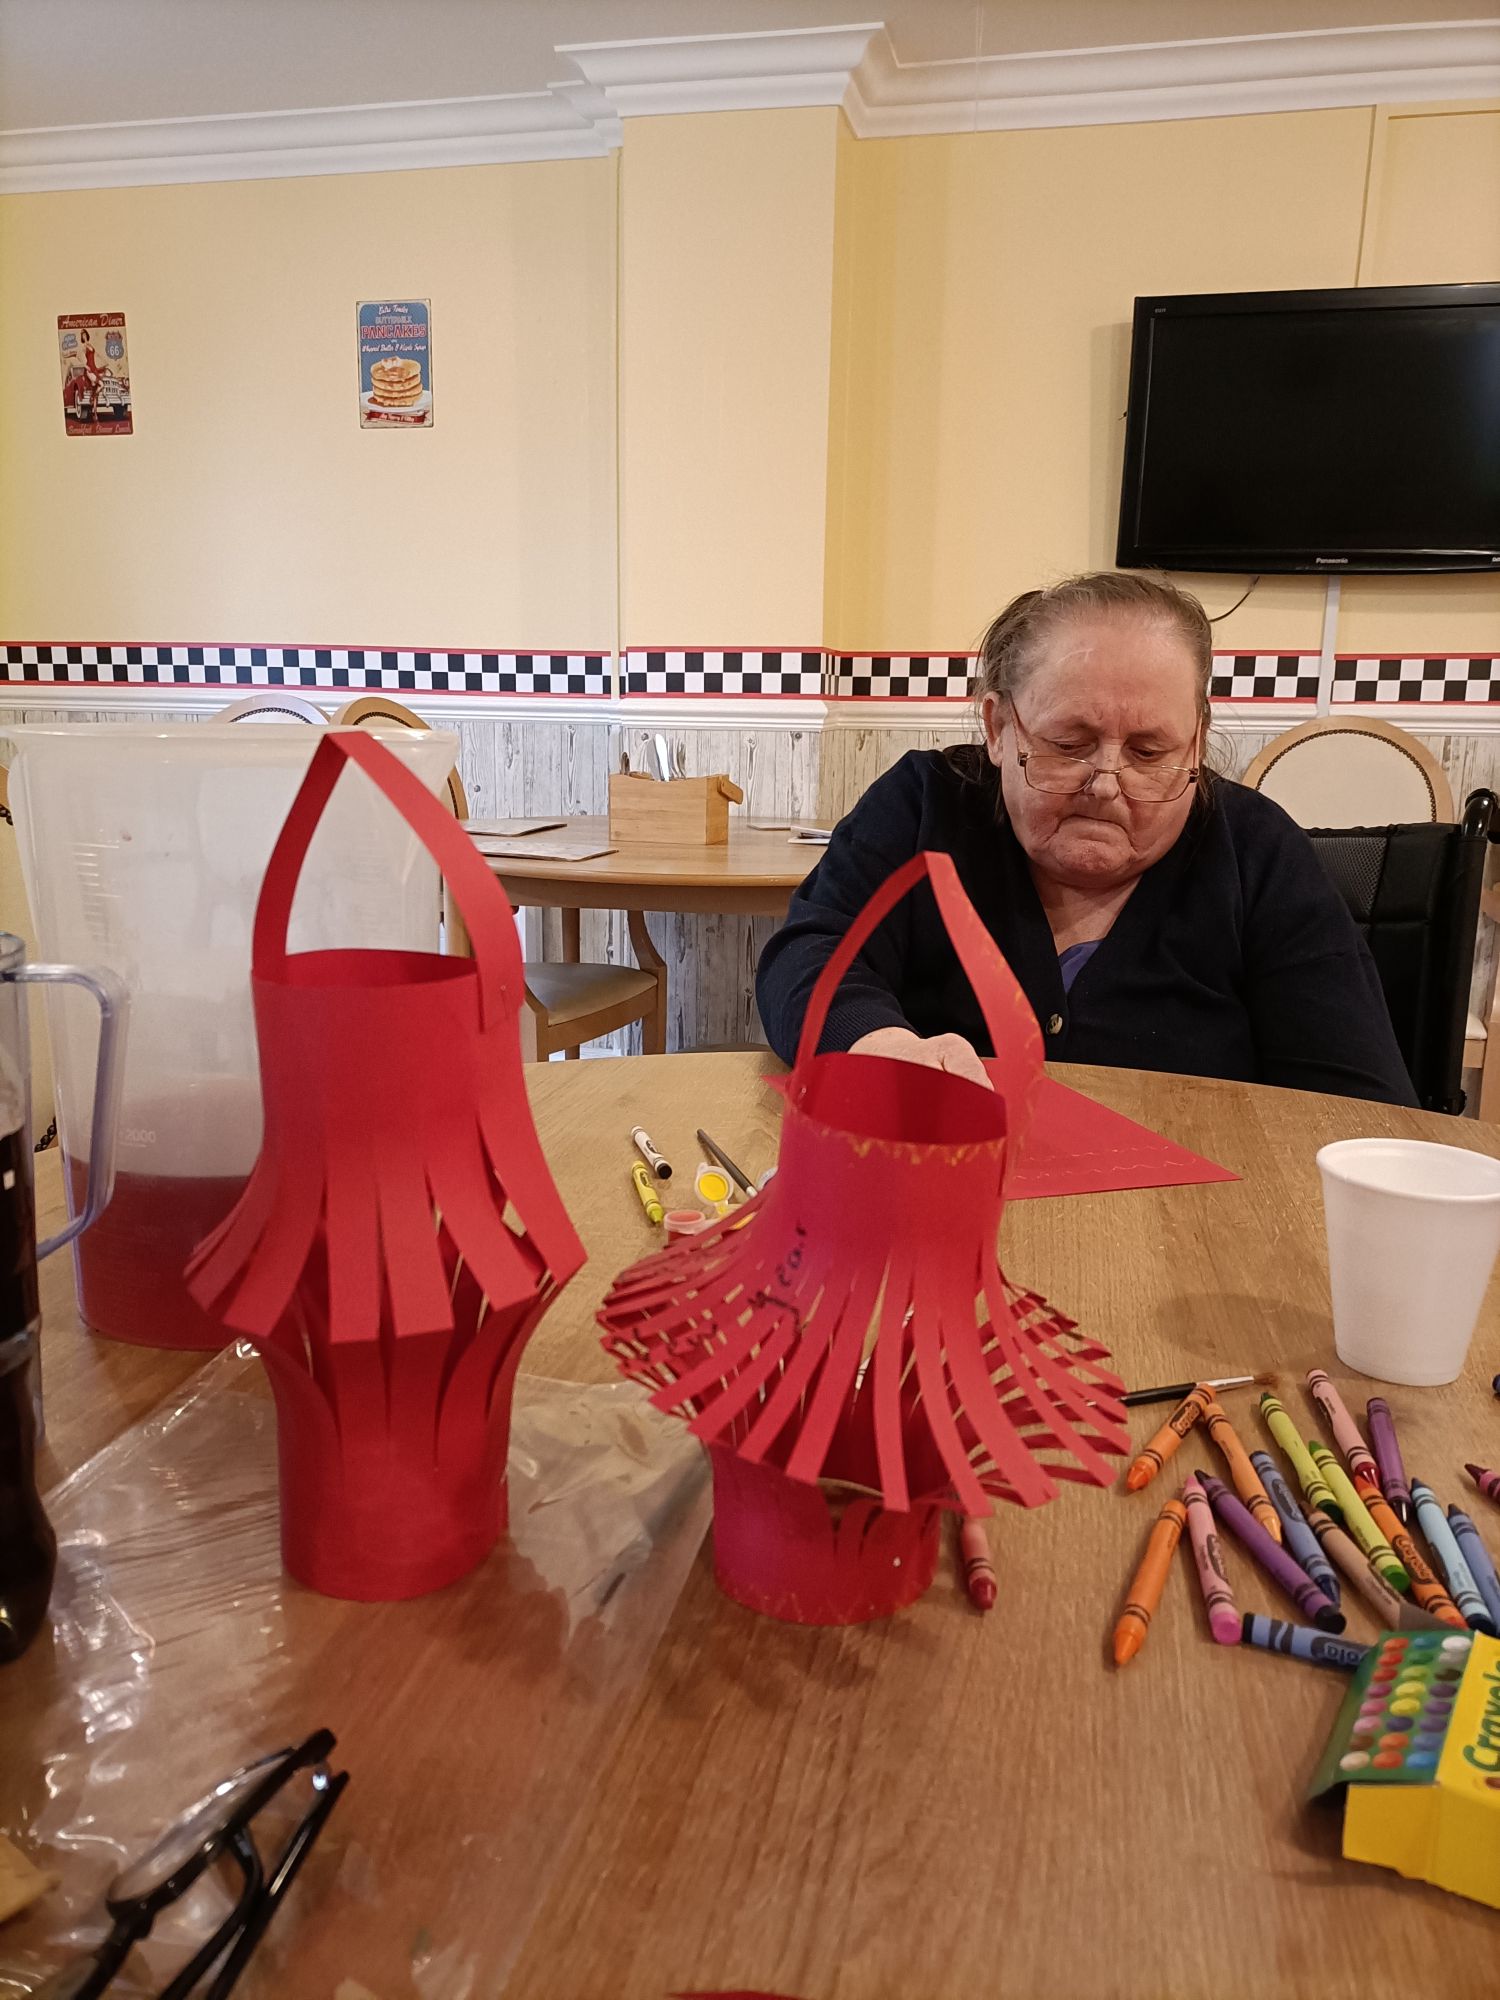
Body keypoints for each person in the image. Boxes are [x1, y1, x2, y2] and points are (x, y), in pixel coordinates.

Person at [756, 570, 1416, 1106]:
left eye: (1150, 752)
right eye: (1069, 744)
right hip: (944, 1193)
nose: (1106, 784)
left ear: (1195, 743)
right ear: (997, 727)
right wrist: (882, 1047)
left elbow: (1360, 1106)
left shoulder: (1258, 851)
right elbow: (811, 954)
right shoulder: (925, 805)